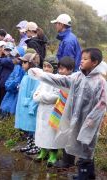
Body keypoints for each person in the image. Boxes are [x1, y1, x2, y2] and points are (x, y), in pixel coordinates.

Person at [28, 48, 107, 179]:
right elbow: (61, 81)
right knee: (78, 146)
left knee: (87, 148)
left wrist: (91, 120)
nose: (81, 61)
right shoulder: (77, 77)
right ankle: (88, 174)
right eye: (81, 58)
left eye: (85, 59)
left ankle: (84, 175)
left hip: (90, 122)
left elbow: (102, 103)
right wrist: (41, 75)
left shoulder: (100, 82)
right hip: (76, 119)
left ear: (95, 62)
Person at [33, 56, 60, 167]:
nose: (46, 68)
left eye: (49, 66)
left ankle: (53, 154)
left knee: (51, 133)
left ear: (54, 67)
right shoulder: (42, 79)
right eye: (44, 66)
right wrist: (38, 96)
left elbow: (56, 96)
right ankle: (43, 151)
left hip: (51, 110)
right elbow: (35, 94)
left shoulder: (58, 79)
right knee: (41, 131)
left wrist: (42, 97)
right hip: (42, 110)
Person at [50, 57, 76, 169]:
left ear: (70, 69)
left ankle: (67, 162)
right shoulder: (65, 79)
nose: (60, 71)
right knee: (64, 135)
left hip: (69, 114)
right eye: (59, 69)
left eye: (62, 69)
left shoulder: (71, 80)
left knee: (68, 137)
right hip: (62, 111)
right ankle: (66, 159)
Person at [15, 53, 40, 155]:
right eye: (22, 62)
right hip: (24, 105)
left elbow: (35, 91)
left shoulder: (34, 75)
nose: (22, 64)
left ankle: (36, 146)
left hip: (29, 106)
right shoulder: (27, 74)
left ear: (31, 63)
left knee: (33, 127)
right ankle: (30, 144)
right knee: (27, 127)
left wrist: (31, 105)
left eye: (25, 62)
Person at [0, 46, 26, 115]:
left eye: (13, 57)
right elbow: (11, 78)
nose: (11, 59)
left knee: (12, 107)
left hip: (15, 91)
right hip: (11, 90)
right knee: (7, 105)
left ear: (19, 58)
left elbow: (16, 81)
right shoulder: (17, 66)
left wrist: (8, 85)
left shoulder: (21, 68)